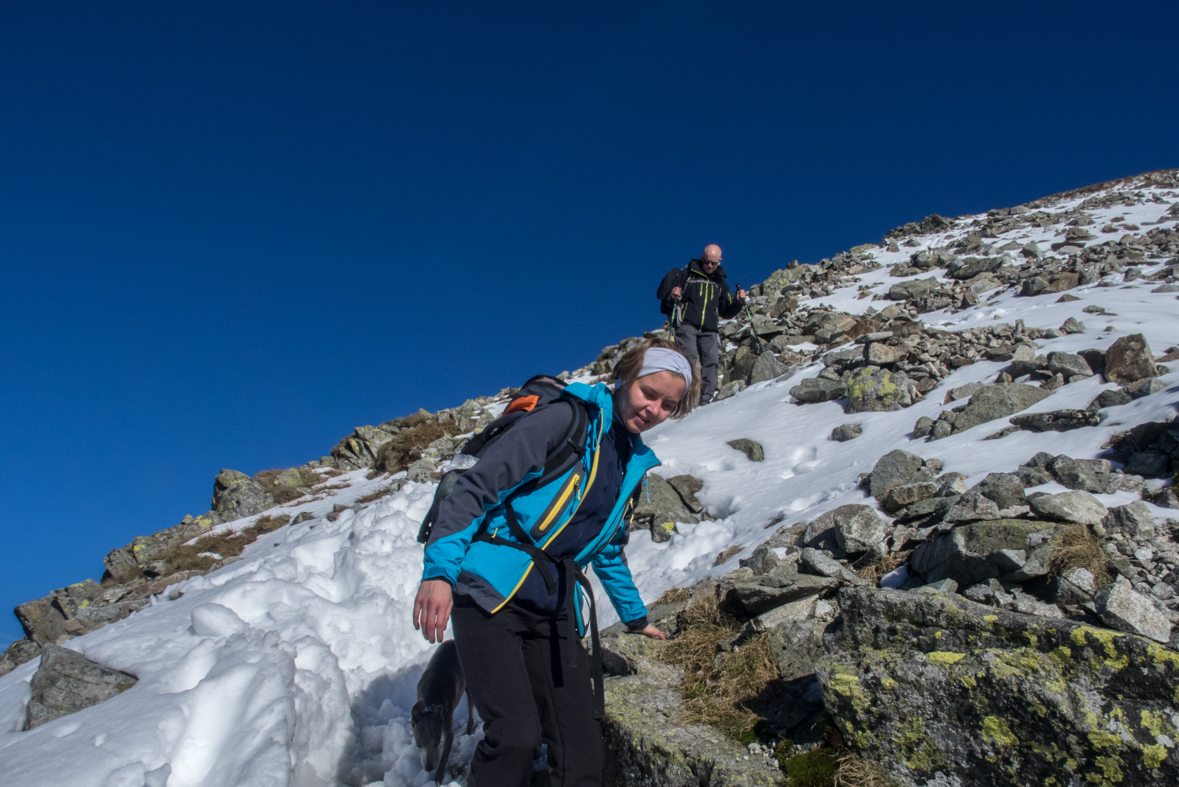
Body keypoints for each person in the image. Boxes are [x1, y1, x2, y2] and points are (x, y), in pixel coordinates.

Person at [413, 338, 701, 787]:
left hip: (553, 607)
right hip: (490, 592)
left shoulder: (630, 463)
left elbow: (606, 548)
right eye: (649, 392)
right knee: (515, 737)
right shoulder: (565, 420)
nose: (654, 409)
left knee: (581, 743)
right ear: (626, 376)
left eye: (668, 405)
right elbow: (475, 487)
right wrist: (439, 573)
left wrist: (636, 617)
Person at [657, 244, 748, 404]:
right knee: (688, 359)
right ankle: (686, 399)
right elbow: (669, 303)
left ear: (720, 261)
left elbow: (725, 310)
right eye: (706, 261)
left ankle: (706, 400)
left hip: (710, 328)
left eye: (713, 263)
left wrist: (738, 302)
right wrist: (672, 296)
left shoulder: (720, 282)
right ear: (702, 258)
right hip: (687, 324)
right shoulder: (687, 274)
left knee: (711, 361)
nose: (709, 265)